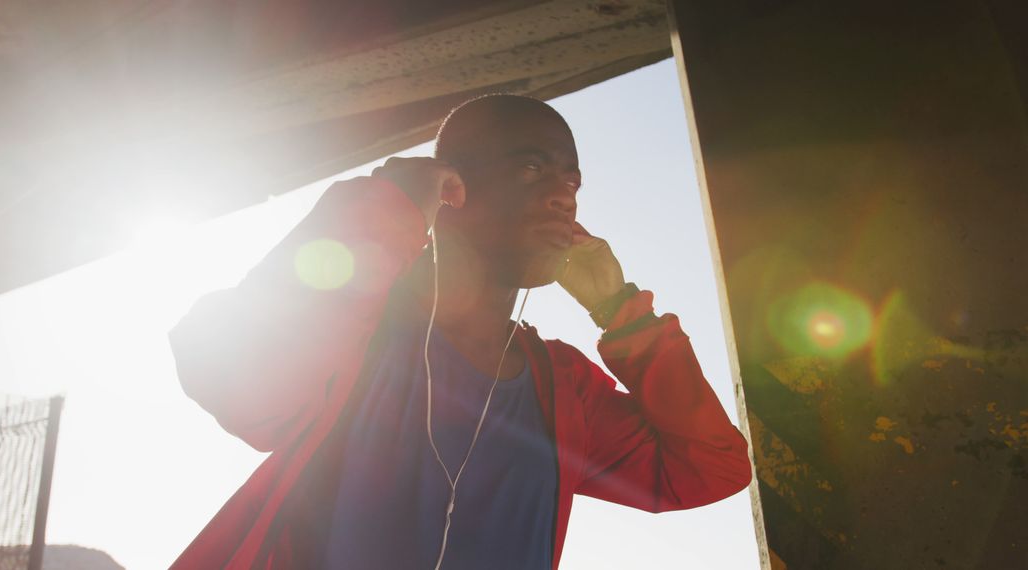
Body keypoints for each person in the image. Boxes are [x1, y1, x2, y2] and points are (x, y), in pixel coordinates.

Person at [168, 94, 752, 569]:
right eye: (531, 167)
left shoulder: (562, 387)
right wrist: (383, 211)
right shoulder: (358, 329)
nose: (563, 196)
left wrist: (625, 315)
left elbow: (708, 471)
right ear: (448, 187)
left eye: (572, 182)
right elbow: (235, 381)